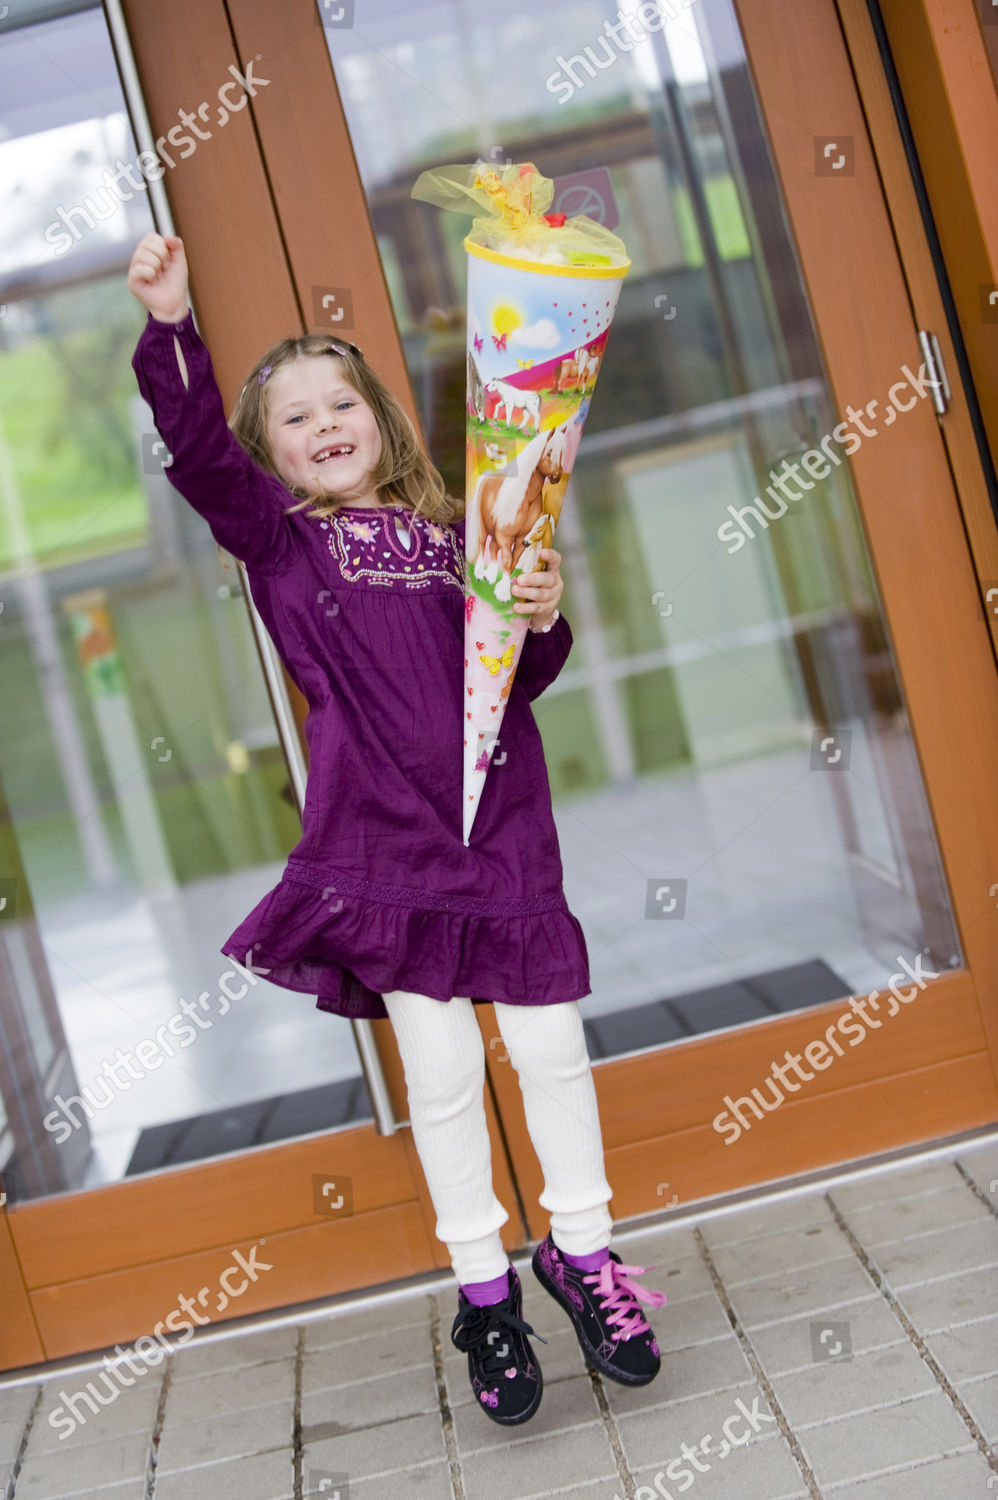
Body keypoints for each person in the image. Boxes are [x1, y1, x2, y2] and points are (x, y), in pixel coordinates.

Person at [126, 231, 666, 1427]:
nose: (323, 424)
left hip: (500, 835)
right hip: (385, 848)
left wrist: (542, 605)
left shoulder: (463, 537)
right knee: (441, 1071)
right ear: (271, 454)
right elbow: (198, 456)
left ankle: (582, 1254)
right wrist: (172, 331)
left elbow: (518, 678)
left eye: (340, 403)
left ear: (378, 419)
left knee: (550, 1053)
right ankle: (484, 1291)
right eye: (293, 417)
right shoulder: (280, 541)